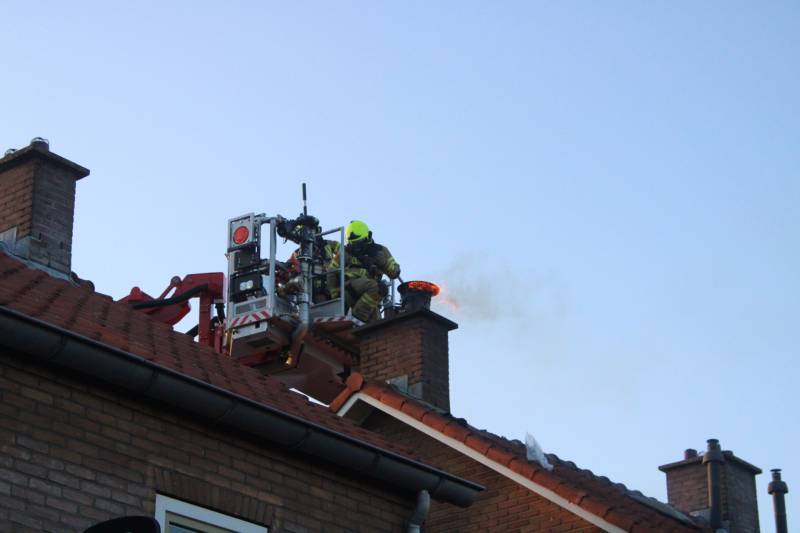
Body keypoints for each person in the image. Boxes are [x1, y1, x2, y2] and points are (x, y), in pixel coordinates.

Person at [327, 220, 400, 322]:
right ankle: (357, 318)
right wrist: (336, 298)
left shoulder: (380, 250)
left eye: (358, 243)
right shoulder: (346, 251)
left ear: (367, 237)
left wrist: (380, 259)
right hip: (349, 289)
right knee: (376, 287)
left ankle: (363, 328)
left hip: (369, 294)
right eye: (352, 243)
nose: (355, 247)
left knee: (376, 325)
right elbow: (331, 272)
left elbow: (394, 273)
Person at [285, 235, 341, 303]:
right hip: (314, 289)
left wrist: (333, 266)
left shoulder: (326, 244)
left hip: (331, 282)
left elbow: (343, 251)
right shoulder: (297, 253)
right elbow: (288, 266)